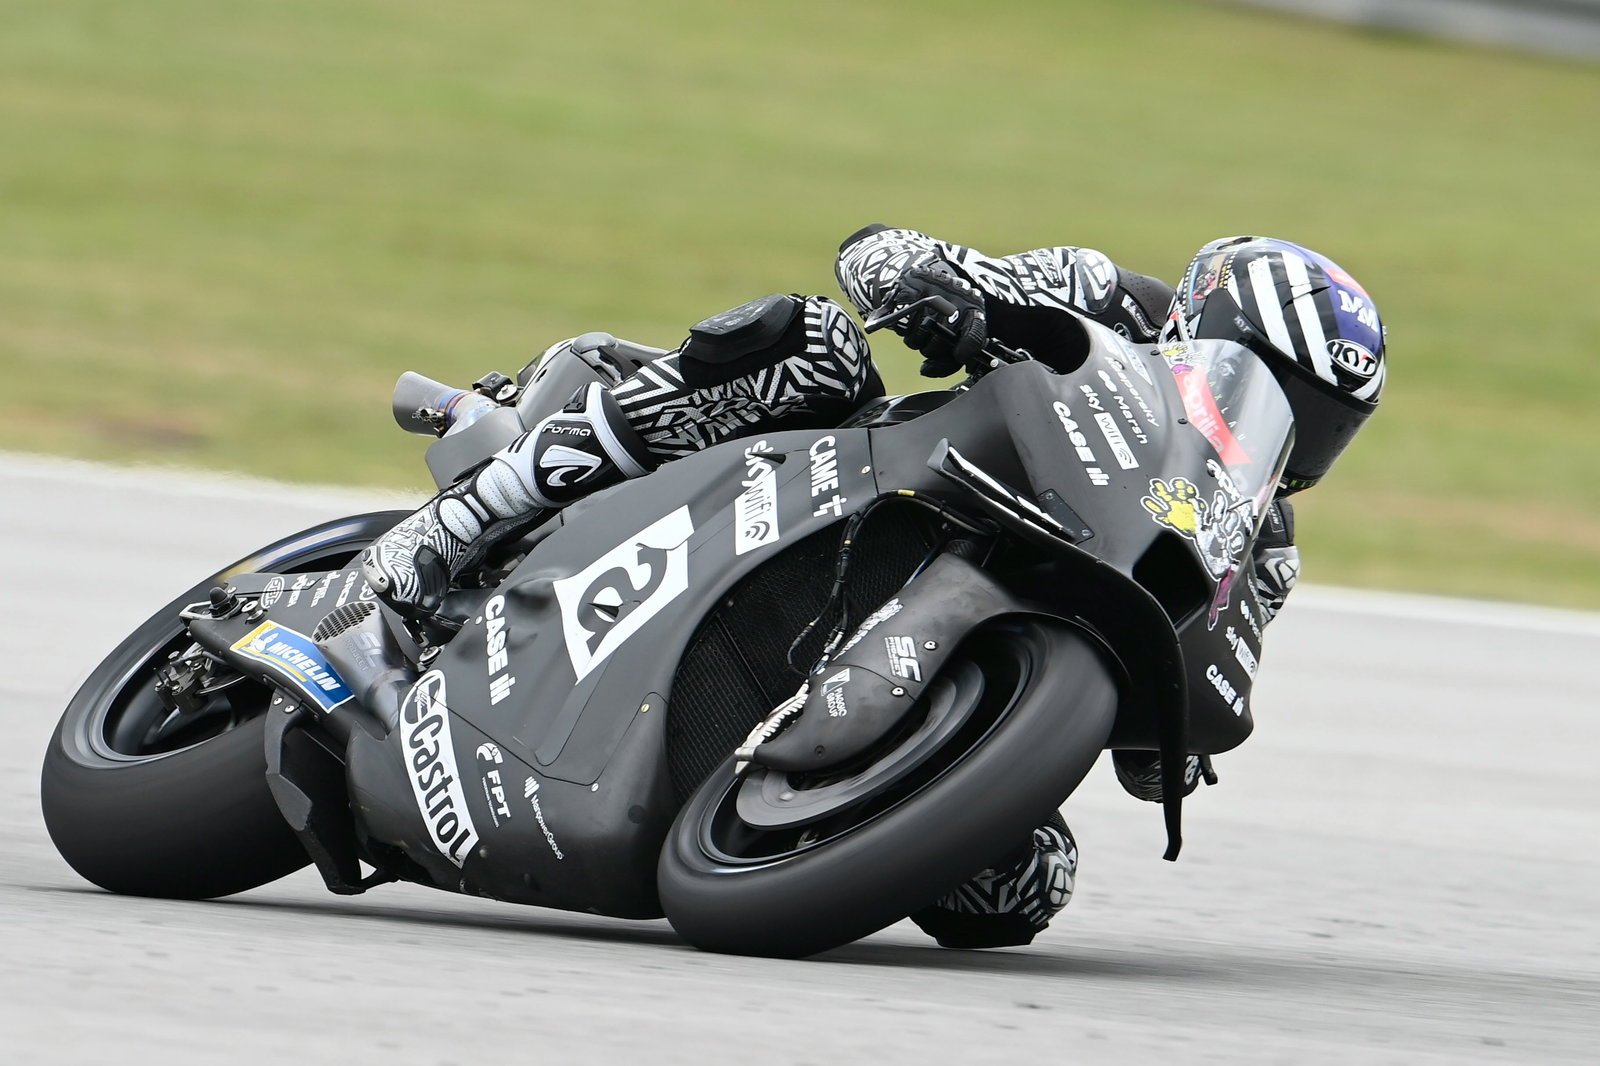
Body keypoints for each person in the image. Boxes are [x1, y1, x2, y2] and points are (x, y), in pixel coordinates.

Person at [360, 224, 1387, 948]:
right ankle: (473, 514)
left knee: (1019, 891)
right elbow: (884, 254)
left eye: (1323, 416)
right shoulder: (1108, 297)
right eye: (1278, 382)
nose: (1296, 423)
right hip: (879, 471)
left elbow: (1196, 681)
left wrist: (1178, 751)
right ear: (1204, 317)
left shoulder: (1261, 533)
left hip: (1012, 608)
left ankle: (782, 811)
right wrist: (933, 284)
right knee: (810, 342)